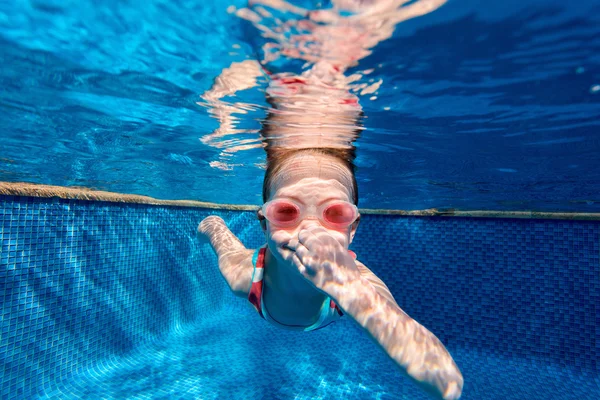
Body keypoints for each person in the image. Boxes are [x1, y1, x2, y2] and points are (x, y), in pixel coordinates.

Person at [197, 1, 463, 399]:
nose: (309, 228)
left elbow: (442, 377)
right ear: (263, 222)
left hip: (332, 304)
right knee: (215, 232)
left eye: (334, 213)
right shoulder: (245, 276)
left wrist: (348, 289)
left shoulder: (358, 283)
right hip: (265, 302)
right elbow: (225, 245)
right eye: (286, 210)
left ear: (353, 229)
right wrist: (212, 226)